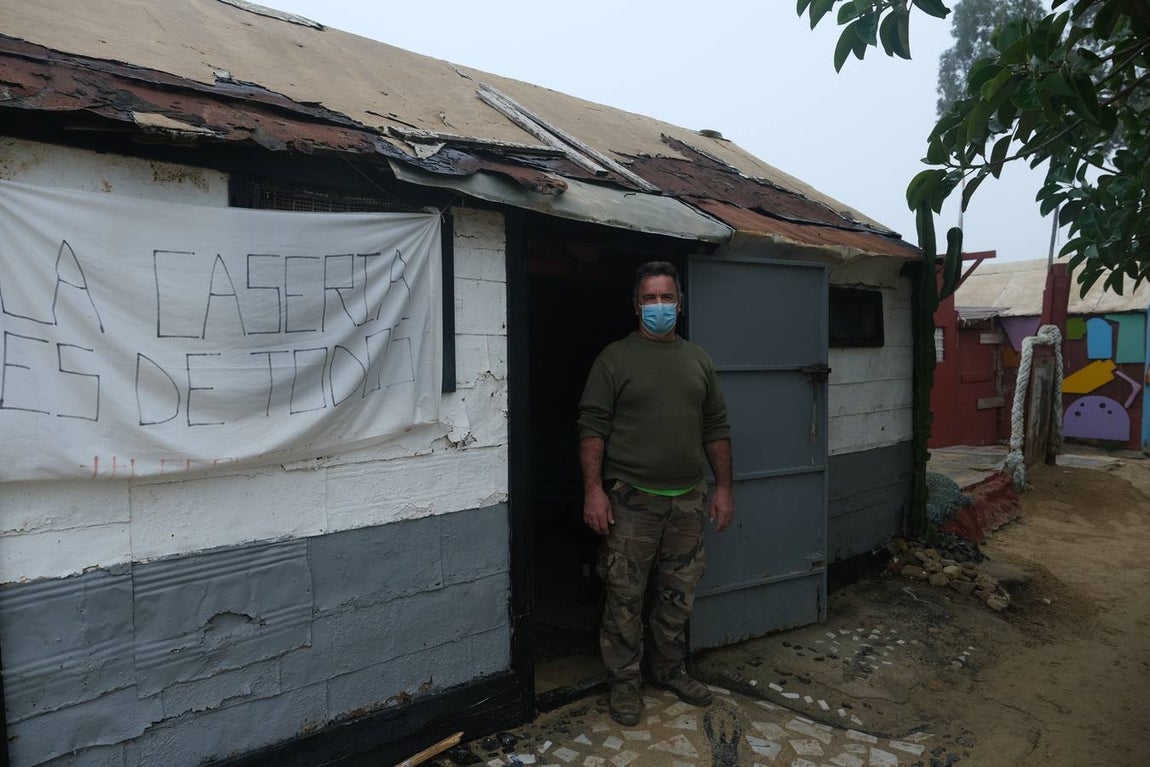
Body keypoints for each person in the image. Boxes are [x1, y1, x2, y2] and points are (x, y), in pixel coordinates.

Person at [576, 260, 734, 727]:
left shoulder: (698, 360)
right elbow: (592, 428)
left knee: (677, 595)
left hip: (687, 501)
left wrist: (723, 487)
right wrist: (593, 491)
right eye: (650, 299)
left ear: (680, 305)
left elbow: (716, 427)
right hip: (631, 501)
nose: (659, 306)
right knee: (624, 597)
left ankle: (668, 669)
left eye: (667, 298)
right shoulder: (614, 359)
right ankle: (624, 684)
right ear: (636, 306)